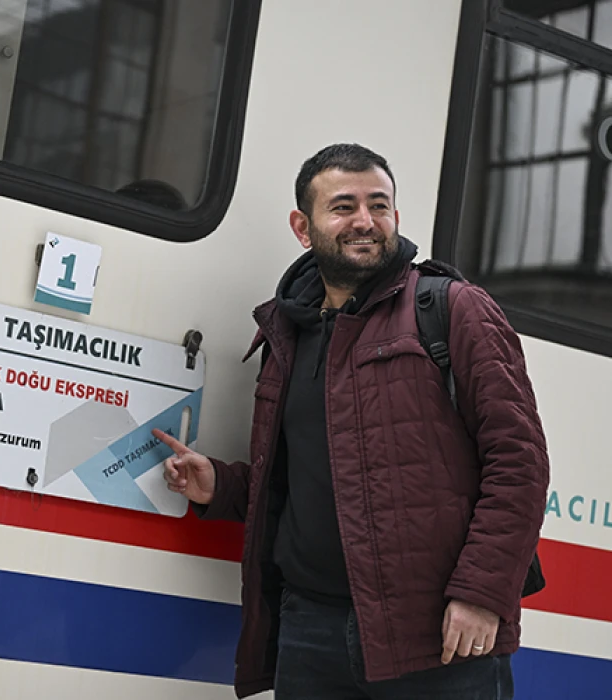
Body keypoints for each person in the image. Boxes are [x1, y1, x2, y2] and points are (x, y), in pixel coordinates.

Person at [154, 143, 548, 699]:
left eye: (379, 205)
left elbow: (520, 465)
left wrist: (482, 594)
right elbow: (310, 477)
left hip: (436, 637)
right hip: (310, 630)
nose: (365, 221)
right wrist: (223, 485)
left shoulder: (453, 309)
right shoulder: (287, 333)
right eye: (343, 206)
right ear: (303, 225)